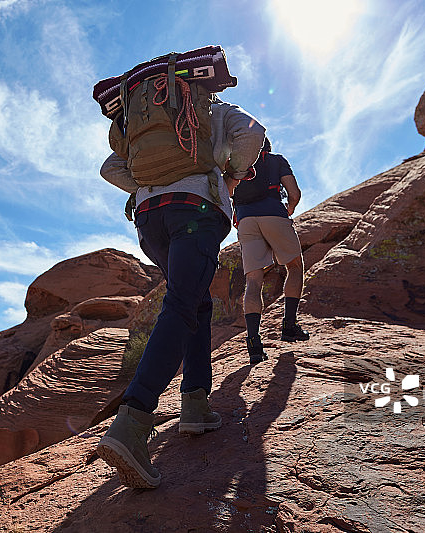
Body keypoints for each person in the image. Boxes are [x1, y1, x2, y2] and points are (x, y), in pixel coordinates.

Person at [97, 92, 265, 489]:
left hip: (150, 219)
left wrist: (146, 183)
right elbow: (253, 133)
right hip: (197, 209)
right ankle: (133, 422)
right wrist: (233, 176)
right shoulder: (215, 110)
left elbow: (109, 168)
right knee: (181, 305)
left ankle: (194, 404)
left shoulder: (137, 121)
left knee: (195, 302)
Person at [232, 137, 310, 365]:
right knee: (295, 267)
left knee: (253, 281)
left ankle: (254, 344)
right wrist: (290, 209)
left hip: (245, 221)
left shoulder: (236, 165)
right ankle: (289, 326)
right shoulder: (276, 161)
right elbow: (294, 193)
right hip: (274, 213)